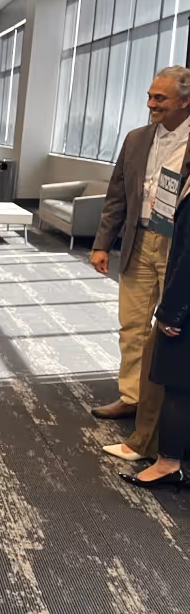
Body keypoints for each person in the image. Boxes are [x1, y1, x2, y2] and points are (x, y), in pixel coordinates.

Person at [90, 67, 190, 422]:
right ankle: (132, 395)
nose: (151, 104)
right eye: (149, 96)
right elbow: (117, 195)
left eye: (159, 98)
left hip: (179, 248)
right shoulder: (135, 138)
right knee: (132, 325)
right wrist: (102, 243)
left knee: (173, 329)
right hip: (139, 240)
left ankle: (164, 406)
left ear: (185, 100)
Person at [120, 171, 190, 491]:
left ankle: (168, 465)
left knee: (177, 385)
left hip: (184, 307)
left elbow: (186, 260)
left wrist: (170, 312)